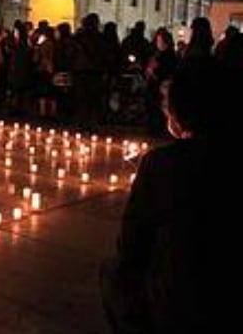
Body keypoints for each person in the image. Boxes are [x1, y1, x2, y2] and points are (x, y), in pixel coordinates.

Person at [101, 59, 238, 333]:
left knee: (110, 273)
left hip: (182, 308)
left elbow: (132, 246)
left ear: (180, 110)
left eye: (167, 102)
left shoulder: (164, 164)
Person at [72, 13, 108, 129]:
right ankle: (91, 123)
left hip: (82, 71)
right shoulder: (99, 38)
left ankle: (82, 122)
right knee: (93, 100)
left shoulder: (80, 37)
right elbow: (104, 55)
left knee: (83, 99)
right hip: (94, 72)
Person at [145, 28, 177, 137]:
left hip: (162, 87)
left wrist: (154, 72)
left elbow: (167, 71)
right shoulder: (157, 54)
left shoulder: (169, 55)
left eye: (160, 41)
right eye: (157, 40)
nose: (158, 43)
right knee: (152, 108)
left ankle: (160, 130)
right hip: (153, 86)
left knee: (160, 109)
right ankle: (153, 129)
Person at [31, 22, 57, 118]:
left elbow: (36, 58)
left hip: (43, 68)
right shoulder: (56, 43)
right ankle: (53, 112)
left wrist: (37, 48)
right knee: (52, 92)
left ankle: (43, 112)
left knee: (42, 90)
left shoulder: (44, 44)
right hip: (52, 69)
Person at [10, 20, 32, 116]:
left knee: (19, 90)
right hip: (20, 70)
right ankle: (18, 108)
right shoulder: (22, 44)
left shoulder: (22, 45)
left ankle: (19, 108)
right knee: (19, 90)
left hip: (20, 70)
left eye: (16, 32)